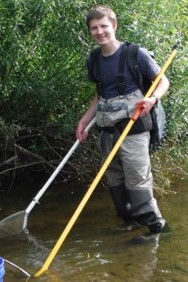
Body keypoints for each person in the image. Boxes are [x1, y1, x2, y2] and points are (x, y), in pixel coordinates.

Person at [76, 5, 170, 236]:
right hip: (107, 130)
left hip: (134, 129)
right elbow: (100, 94)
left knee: (137, 179)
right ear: (90, 31)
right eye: (94, 28)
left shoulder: (135, 54)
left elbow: (163, 81)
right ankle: (129, 222)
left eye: (104, 26)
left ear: (114, 26)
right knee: (114, 178)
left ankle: (157, 229)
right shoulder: (94, 60)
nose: (100, 32)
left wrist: (152, 99)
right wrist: (83, 121)